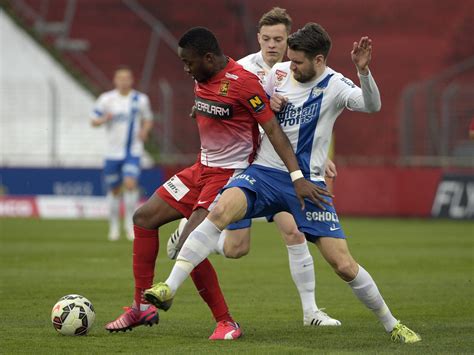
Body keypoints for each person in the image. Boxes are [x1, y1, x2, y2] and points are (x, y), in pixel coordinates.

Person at [145, 23, 422, 344]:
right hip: (263, 173)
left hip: (308, 184)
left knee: (343, 265)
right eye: (289, 60)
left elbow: (372, 105)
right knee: (219, 212)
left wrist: (363, 72)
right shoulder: (276, 73)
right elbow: (245, 98)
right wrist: (216, 108)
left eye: (298, 62)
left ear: (319, 61)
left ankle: (392, 325)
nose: (290, 66)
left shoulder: (335, 84)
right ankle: (169, 286)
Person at [105, 27, 328, 340]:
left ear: (208, 58)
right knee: (143, 218)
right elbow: (215, 106)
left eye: (189, 62)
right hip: (200, 169)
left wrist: (297, 175)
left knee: (190, 243)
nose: (186, 68)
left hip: (229, 177)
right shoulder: (202, 75)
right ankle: (141, 306)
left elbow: (274, 130)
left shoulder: (244, 83)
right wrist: (201, 109)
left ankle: (226, 322)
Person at [167, 7, 340, 327]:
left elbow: (307, 122)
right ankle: (197, 236)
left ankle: (310, 312)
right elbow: (221, 105)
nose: (272, 45)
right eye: (266, 38)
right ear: (258, 38)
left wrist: (318, 158)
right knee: (236, 249)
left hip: (282, 167)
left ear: (289, 40)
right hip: (246, 167)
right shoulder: (242, 69)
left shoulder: (298, 71)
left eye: (279, 39)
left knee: (293, 231)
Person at [91, 66, 153, 241]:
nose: (124, 82)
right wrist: (104, 119)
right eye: (120, 78)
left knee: (131, 184)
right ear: (115, 80)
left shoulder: (140, 99)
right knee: (114, 190)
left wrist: (145, 130)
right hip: (112, 152)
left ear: (131, 80)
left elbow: (148, 118)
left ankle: (129, 224)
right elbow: (93, 120)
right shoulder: (106, 99)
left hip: (132, 151)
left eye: (127, 78)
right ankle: (113, 227)